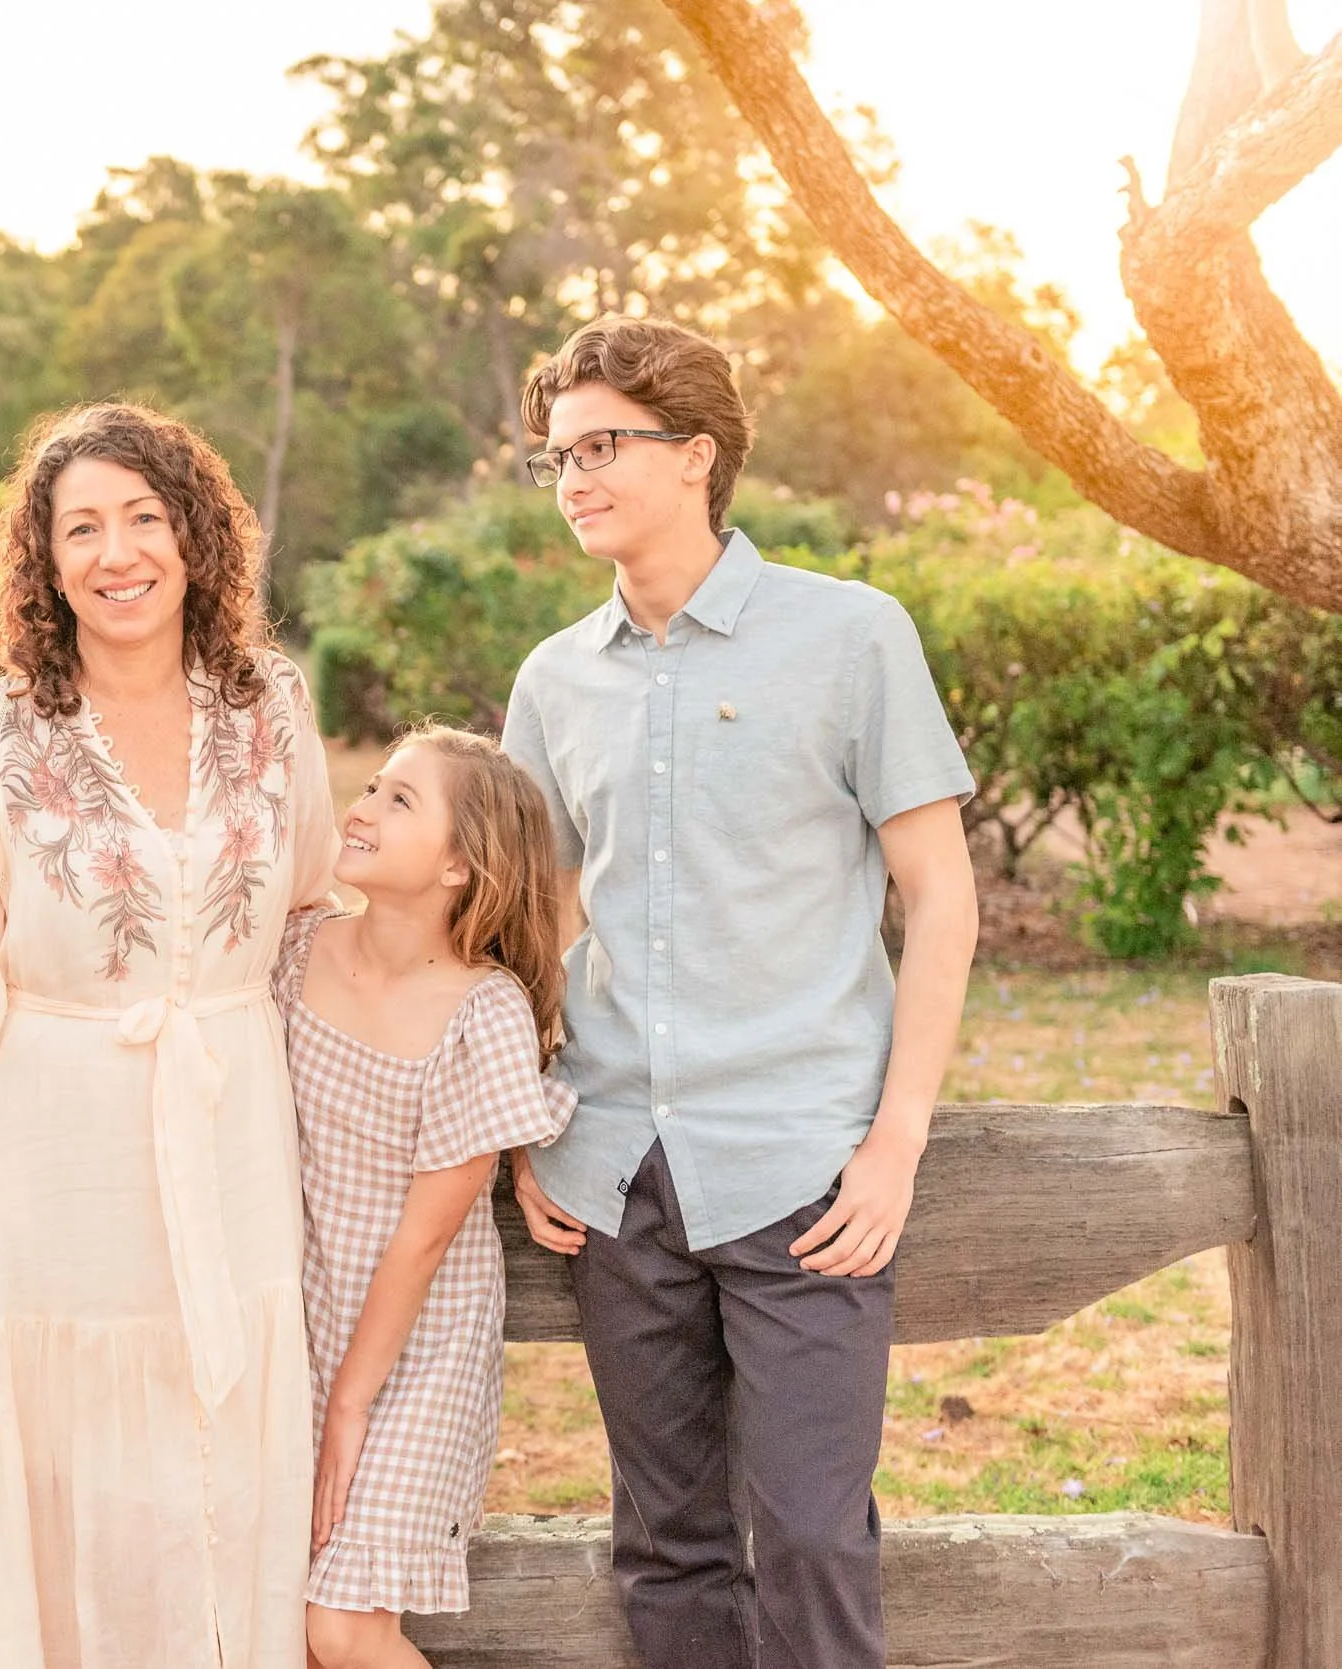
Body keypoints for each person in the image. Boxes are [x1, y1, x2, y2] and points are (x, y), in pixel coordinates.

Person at [500, 315, 980, 1669]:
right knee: (664, 1544)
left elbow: (941, 897)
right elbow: (534, 920)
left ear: (698, 452)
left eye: (604, 444)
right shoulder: (553, 681)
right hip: (614, 1175)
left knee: (815, 1536)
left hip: (802, 1171)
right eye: (558, 456)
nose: (576, 474)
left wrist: (894, 1146)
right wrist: (529, 1115)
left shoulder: (850, 637)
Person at [0, 402, 339, 1668]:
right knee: (55, 1478)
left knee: (220, 1471)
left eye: (143, 519)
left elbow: (317, 922)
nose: (117, 554)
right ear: (45, 563)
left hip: (232, 1149)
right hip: (36, 1170)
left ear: (194, 537)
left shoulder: (270, 708)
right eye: (82, 529)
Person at [275, 726, 577, 1669]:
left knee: (345, 1626)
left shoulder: (480, 1015)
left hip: (416, 1358)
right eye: (371, 787)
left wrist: (351, 1406)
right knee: (284, 1616)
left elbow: (424, 1238)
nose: (359, 806)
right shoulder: (295, 951)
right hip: (299, 1331)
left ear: (459, 863)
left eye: (399, 799)